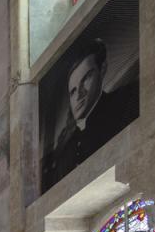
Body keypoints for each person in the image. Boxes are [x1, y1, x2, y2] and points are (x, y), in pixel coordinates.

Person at [42, 37, 138, 192]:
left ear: (102, 69)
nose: (79, 94)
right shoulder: (66, 148)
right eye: (73, 91)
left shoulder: (127, 100)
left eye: (86, 78)